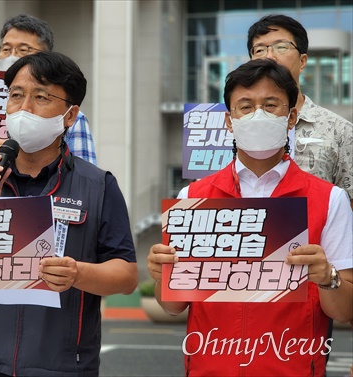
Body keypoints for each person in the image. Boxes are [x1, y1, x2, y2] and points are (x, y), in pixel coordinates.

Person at [147, 59, 352, 376]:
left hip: (293, 368)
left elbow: (345, 310)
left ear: (291, 117)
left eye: (271, 105)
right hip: (209, 368)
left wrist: (328, 277)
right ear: (229, 120)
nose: (259, 115)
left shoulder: (330, 199)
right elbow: (173, 305)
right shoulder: (193, 198)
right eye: (245, 106)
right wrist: (162, 278)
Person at [0, 51, 138, 376]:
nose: (24, 109)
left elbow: (126, 275)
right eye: (16, 96)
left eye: (41, 97)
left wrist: (78, 274)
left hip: (64, 366)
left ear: (70, 115)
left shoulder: (98, 185)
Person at [0, 14, 97, 185]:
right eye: (6, 49)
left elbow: (84, 182)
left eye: (24, 50)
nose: (12, 56)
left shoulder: (67, 116)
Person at [247, 14, 353, 206]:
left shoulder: (340, 130)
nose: (270, 56)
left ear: (303, 61)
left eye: (281, 47)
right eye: (260, 49)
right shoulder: (229, 126)